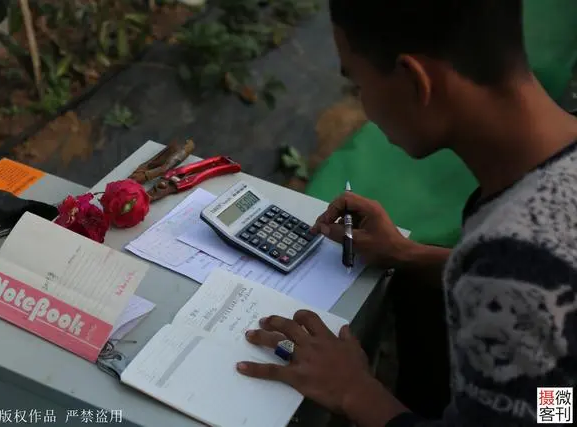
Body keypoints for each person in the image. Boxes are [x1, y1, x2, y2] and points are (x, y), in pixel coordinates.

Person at [234, 0, 577, 425]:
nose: (363, 106)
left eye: (357, 84)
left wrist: (354, 391)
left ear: (415, 81)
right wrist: (407, 254)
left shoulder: (515, 259)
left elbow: (552, 411)